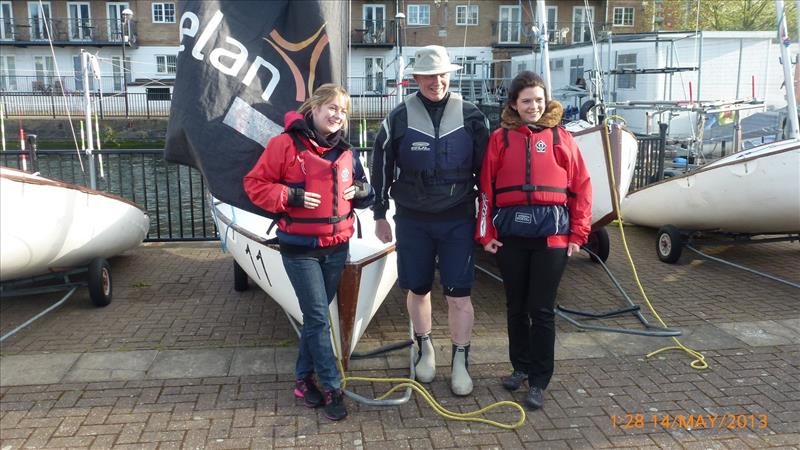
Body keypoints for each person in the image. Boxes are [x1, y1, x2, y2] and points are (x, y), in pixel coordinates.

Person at [244, 84, 374, 421]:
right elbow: (255, 185)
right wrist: (293, 197)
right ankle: (332, 386)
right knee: (317, 317)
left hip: (336, 247)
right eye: (330, 108)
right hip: (299, 248)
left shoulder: (347, 152)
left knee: (315, 320)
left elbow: (364, 191)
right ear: (313, 110)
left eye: (343, 111)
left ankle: (303, 380)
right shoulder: (285, 145)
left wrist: (360, 189)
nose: (337, 115)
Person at [371, 45, 489, 396]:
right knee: (417, 288)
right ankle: (424, 347)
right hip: (413, 219)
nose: (436, 81)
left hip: (457, 219)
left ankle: (460, 359)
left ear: (450, 75)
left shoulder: (472, 117)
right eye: (428, 75)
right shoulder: (397, 118)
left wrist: (489, 219)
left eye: (442, 74)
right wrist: (379, 215)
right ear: (416, 78)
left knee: (459, 295)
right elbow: (380, 166)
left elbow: (488, 174)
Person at [475, 71, 592, 410]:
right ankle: (520, 367)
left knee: (541, 310)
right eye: (526, 100)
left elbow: (582, 188)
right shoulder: (500, 139)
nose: (534, 106)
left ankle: (539, 380)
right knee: (515, 307)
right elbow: (486, 190)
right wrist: (485, 234)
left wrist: (578, 234)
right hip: (512, 236)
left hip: (552, 237)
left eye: (539, 100)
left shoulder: (562, 138)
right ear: (514, 103)